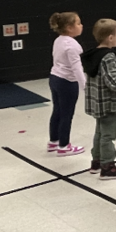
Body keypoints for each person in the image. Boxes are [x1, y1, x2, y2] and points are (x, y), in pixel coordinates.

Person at [81, 19, 116, 180]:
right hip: (109, 103)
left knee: (99, 132)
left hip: (97, 102)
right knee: (108, 135)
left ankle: (96, 161)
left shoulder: (93, 55)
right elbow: (113, 81)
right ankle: (107, 166)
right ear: (110, 37)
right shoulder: (109, 57)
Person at [47, 11, 86, 156]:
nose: (81, 26)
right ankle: (64, 146)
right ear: (69, 28)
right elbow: (77, 68)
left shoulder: (58, 40)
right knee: (66, 114)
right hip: (67, 83)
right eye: (78, 23)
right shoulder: (73, 46)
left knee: (57, 110)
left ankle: (53, 141)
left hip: (54, 78)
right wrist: (85, 86)